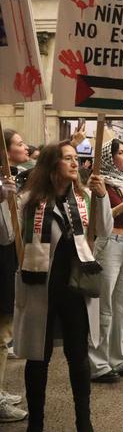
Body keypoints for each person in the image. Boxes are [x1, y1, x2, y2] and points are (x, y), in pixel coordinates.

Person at [1, 141, 111, 431]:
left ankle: (84, 421)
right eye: (67, 159)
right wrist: (3, 200)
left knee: (78, 356)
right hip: (40, 289)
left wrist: (103, 199)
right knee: (39, 357)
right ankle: (35, 422)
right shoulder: (28, 201)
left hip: (75, 290)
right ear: (52, 165)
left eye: (76, 158)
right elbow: (5, 235)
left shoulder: (85, 197)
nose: (75, 163)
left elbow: (103, 234)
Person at [88, 139, 123, 384]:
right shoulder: (98, 185)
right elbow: (98, 221)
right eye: (120, 153)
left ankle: (119, 358)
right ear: (109, 158)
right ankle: (98, 363)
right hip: (108, 243)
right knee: (104, 304)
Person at [0, 129, 31, 422]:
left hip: (8, 257)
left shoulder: (12, 180)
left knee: (4, 332)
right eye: (19, 143)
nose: (25, 146)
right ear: (5, 151)